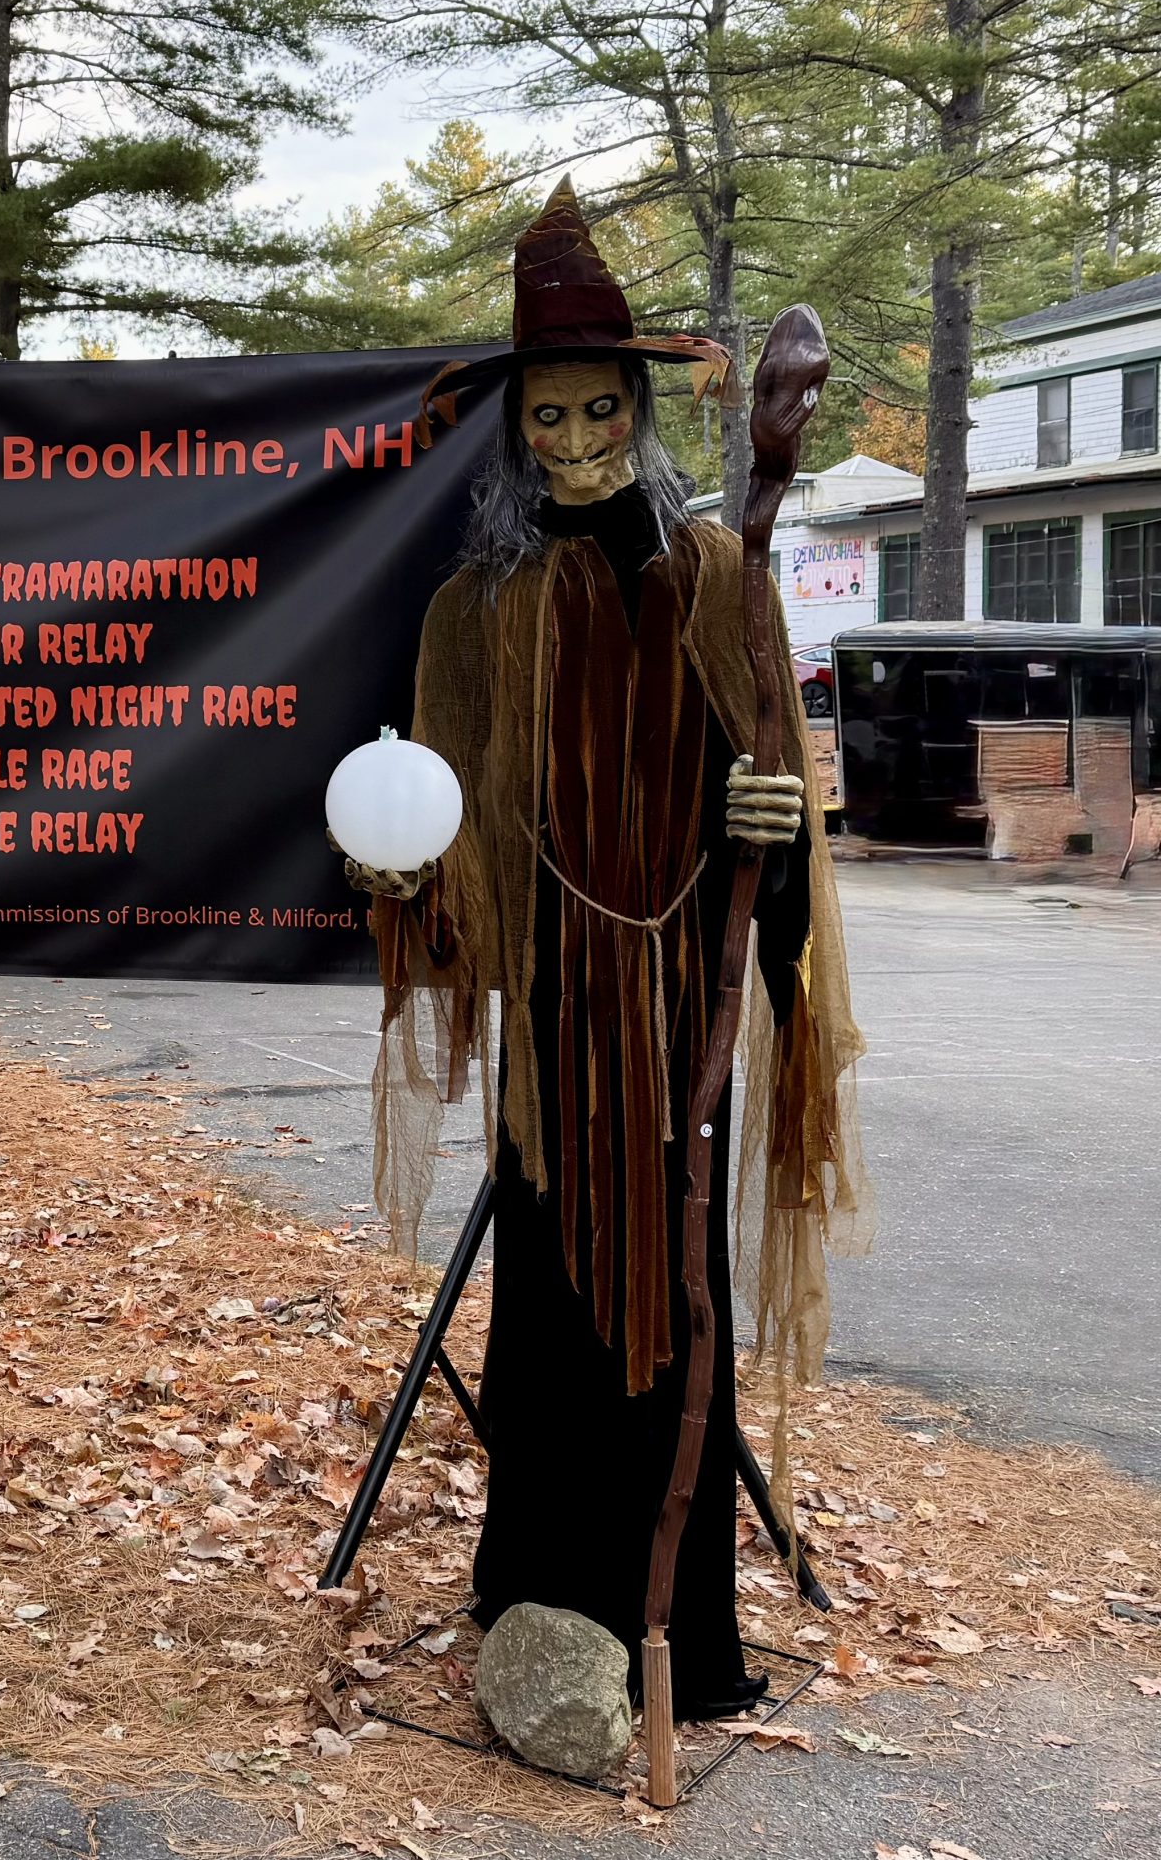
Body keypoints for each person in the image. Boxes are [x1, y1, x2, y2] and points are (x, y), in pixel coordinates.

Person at [352, 182, 870, 1721]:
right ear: (513, 431)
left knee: (671, 1282)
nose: (572, 440)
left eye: (597, 410)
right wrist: (401, 877)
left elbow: (765, 786)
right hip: (559, 1022)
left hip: (674, 1016)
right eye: (546, 417)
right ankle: (537, 1605)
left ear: (637, 411)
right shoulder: (475, 608)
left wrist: (761, 825)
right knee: (554, 1312)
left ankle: (673, 1635)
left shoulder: (715, 578)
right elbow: (442, 838)